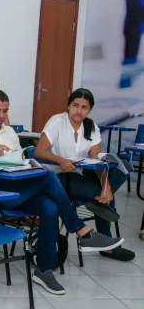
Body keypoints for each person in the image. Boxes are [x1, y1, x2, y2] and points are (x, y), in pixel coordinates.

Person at [0, 89, 124, 295]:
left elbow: (16, 161)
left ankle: (44, 269)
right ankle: (81, 231)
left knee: (50, 207)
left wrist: (27, 165)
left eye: (5, 111)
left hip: (15, 187)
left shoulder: (9, 132)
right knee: (49, 177)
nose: (1, 115)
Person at [34, 88, 135, 262]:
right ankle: (108, 246)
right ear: (68, 105)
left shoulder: (91, 126)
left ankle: (98, 197)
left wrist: (106, 186)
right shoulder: (57, 121)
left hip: (82, 175)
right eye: (75, 105)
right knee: (104, 199)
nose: (78, 111)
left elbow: (96, 160)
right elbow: (39, 152)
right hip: (59, 177)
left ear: (89, 110)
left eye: (84, 107)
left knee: (123, 166)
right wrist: (60, 160)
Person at [119, 0, 144, 88]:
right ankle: (125, 81)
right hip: (134, 23)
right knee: (130, 53)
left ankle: (126, 81)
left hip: (135, 22)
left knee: (131, 52)